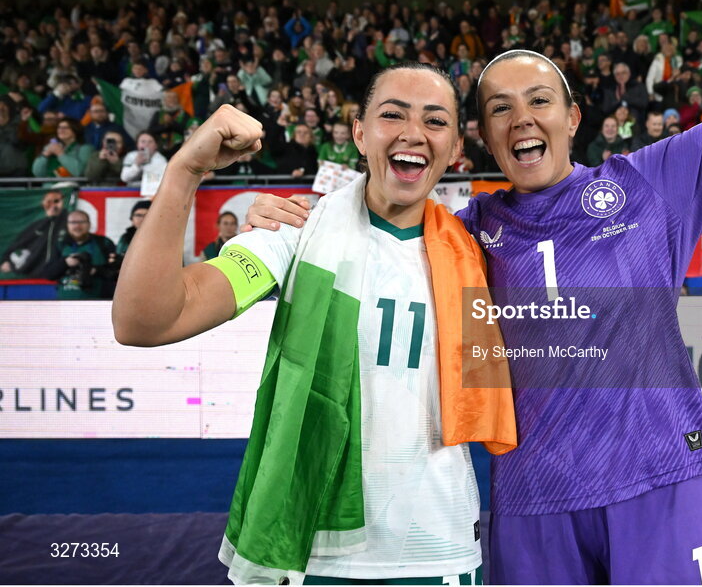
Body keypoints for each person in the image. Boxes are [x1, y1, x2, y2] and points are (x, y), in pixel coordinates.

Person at [247, 0, 702, 585]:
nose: (522, 119)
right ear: (483, 136)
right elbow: (372, 221)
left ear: (572, 118)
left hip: (658, 481)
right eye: (499, 108)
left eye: (539, 100)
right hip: (533, 502)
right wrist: (281, 218)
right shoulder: (462, 230)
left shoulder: (653, 184)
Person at [112, 66, 516, 585]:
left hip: (439, 553)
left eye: (434, 120)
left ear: (456, 146)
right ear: (359, 132)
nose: (413, 132)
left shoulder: (480, 251)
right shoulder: (295, 232)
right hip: (308, 556)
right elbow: (146, 319)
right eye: (392, 114)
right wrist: (185, 171)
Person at [0, 189, 68, 278]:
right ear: (42, 203)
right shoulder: (36, 226)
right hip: (34, 278)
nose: (53, 205)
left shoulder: (70, 222)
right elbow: (16, 245)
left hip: (62, 277)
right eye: (49, 202)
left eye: (57, 201)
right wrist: (7, 261)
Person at [57, 209, 117, 299]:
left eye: (82, 222)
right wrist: (65, 263)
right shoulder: (61, 244)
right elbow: (48, 273)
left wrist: (95, 270)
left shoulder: (103, 242)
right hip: (64, 303)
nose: (77, 226)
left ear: (89, 224)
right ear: (67, 225)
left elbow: (116, 272)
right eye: (73, 222)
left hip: (98, 302)